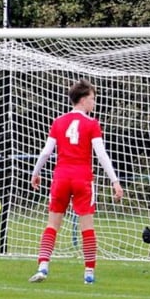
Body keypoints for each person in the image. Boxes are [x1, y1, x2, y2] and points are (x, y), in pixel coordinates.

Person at [28, 79, 123, 284]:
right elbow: (101, 154)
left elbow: (46, 152)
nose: (94, 102)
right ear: (82, 100)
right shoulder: (92, 124)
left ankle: (43, 267)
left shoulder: (58, 121)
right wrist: (114, 180)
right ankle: (89, 273)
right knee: (87, 226)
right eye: (92, 98)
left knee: (52, 224)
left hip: (61, 177)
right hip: (82, 179)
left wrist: (35, 172)